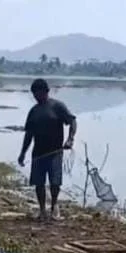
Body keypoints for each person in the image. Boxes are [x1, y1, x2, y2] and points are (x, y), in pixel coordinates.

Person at [17, 78, 77, 221]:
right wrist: (23, 153)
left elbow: (72, 121)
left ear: (46, 92)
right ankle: (42, 210)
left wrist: (70, 139)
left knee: (55, 182)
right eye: (34, 94)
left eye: (38, 93)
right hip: (38, 153)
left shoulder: (57, 107)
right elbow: (29, 134)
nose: (36, 97)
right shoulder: (34, 111)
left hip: (55, 152)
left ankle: (54, 207)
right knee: (39, 183)